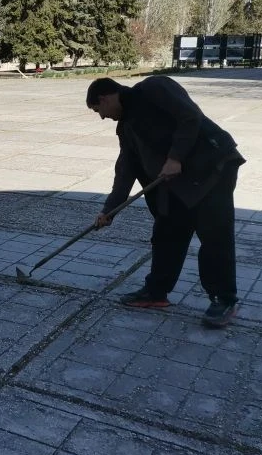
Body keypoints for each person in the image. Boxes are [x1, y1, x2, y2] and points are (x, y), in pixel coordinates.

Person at [86, 76, 245, 328]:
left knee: (214, 237)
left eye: (98, 110)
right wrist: (109, 210)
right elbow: (125, 170)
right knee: (167, 233)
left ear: (104, 99)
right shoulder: (126, 128)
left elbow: (190, 116)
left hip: (212, 170)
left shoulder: (154, 88)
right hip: (179, 183)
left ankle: (224, 299)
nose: (103, 117)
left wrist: (175, 157)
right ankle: (156, 292)